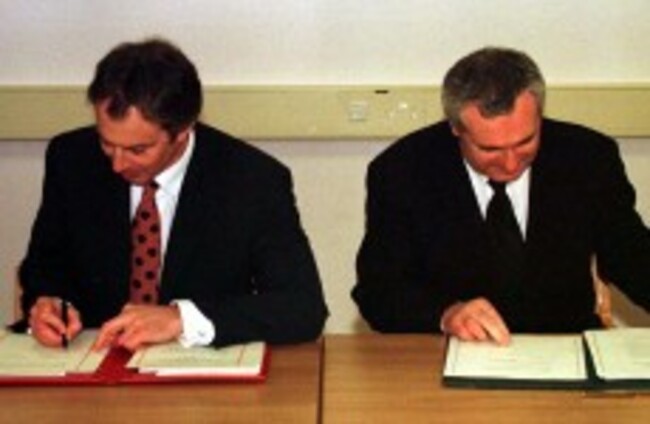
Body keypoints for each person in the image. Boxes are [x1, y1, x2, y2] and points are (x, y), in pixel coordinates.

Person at [17, 38, 328, 350]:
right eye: (107, 143)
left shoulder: (251, 180)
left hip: (197, 370)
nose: (117, 164)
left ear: (182, 131)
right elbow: (44, 267)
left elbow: (302, 308)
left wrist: (180, 319)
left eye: (138, 150)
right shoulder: (71, 158)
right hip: (92, 361)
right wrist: (50, 303)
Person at [352, 47, 650, 344]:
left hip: (564, 346)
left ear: (539, 116)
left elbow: (631, 255)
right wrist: (446, 314)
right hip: (453, 351)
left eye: (525, 142)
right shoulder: (403, 171)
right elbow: (378, 291)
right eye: (489, 149)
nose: (510, 164)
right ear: (455, 128)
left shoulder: (588, 158)